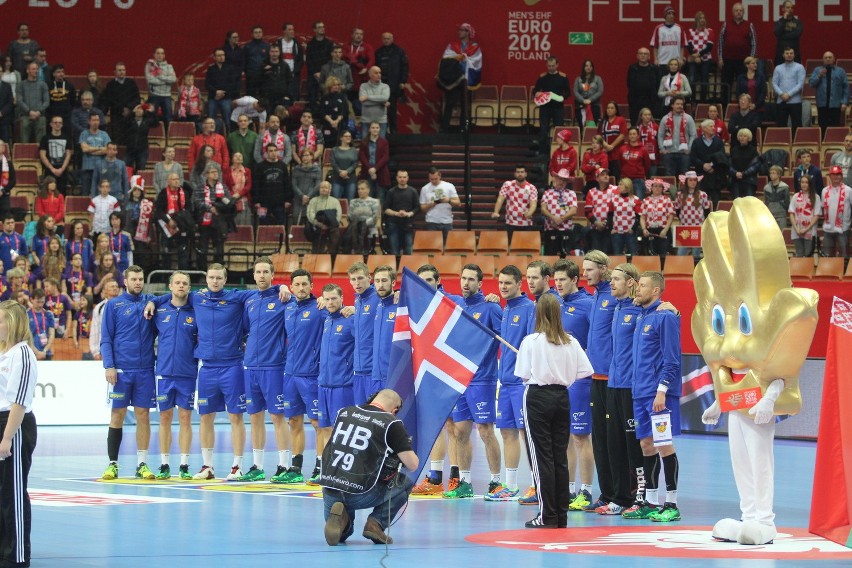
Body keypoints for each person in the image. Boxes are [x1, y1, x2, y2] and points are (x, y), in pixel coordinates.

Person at [516, 293, 593, 528]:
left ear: (538, 314)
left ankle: (546, 516)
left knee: (541, 458)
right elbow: (584, 370)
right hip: (562, 397)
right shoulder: (571, 341)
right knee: (559, 456)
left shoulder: (531, 341)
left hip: (538, 397)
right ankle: (560, 515)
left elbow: (523, 374)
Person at [321, 388, 418, 546]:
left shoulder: (344, 412)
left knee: (342, 537)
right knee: (405, 482)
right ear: (394, 411)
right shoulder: (391, 422)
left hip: (330, 487)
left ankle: (343, 520)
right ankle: (375, 523)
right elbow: (412, 465)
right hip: (361, 492)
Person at [446, 264, 504, 500]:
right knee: (460, 432)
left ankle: (496, 483)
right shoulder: (457, 306)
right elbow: (433, 291)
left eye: (471, 279)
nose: (466, 283)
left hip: (482, 379)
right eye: (463, 278)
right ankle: (465, 482)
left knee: (485, 431)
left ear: (480, 283)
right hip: (460, 378)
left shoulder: (490, 307)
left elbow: (505, 338)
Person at [631, 271, 683, 522]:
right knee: (646, 445)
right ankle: (651, 501)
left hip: (657, 395)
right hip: (640, 392)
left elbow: (672, 360)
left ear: (655, 291)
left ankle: (671, 503)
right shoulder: (643, 316)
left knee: (664, 445)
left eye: (642, 286)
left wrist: (662, 390)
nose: (637, 290)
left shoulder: (666, 317)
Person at [100, 265, 157, 480]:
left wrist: (153, 301)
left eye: (141, 279)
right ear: (125, 281)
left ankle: (142, 464)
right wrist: (109, 365)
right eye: (134, 279)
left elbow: (170, 296)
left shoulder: (149, 302)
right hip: (121, 370)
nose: (138, 282)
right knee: (117, 415)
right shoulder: (113, 305)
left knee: (143, 416)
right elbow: (106, 338)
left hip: (145, 370)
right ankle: (112, 464)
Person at [239, 258, 291, 483]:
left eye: (265, 272)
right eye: (257, 272)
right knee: (254, 417)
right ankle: (257, 466)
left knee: (278, 417)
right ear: (253, 275)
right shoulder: (249, 301)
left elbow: (307, 301)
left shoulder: (282, 298)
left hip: (273, 367)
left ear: (272, 275)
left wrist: (284, 287)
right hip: (250, 367)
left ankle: (284, 466)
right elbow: (242, 328)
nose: (261, 276)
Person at [550, 260, 595, 512]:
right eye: (556, 280)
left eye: (563, 280)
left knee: (580, 436)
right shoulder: (555, 304)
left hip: (580, 380)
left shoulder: (588, 305)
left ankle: (586, 492)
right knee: (564, 437)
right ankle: (567, 490)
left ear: (575, 279)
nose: (558, 284)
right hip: (559, 379)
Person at [0, 300, 38, 568]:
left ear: (13, 323)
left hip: (13, 424)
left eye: (1, 320)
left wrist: (6, 437)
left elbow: (19, 401)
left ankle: (16, 555)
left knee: (12, 493)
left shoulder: (23, 355)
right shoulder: (4, 353)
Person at [280, 269, 327, 484]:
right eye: (296, 284)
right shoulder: (287, 308)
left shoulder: (320, 308)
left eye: (304, 284)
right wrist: (278, 288)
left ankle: (320, 467)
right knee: (293, 421)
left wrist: (347, 309)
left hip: (311, 375)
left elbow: (339, 314)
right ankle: (295, 467)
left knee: (317, 423)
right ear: (291, 287)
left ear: (311, 286)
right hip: (290, 375)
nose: (300, 288)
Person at [494, 265, 536, 504]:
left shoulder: (530, 308)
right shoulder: (505, 309)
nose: (503, 287)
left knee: (526, 433)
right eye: (500, 283)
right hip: (506, 381)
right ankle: (510, 486)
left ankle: (534, 484)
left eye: (507, 283)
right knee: (507, 432)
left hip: (522, 383)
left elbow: (531, 344)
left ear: (520, 284)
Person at [581, 250, 618, 512]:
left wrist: (667, 306)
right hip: (595, 377)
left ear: (604, 269)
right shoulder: (594, 297)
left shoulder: (615, 297)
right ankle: (605, 494)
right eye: (583, 270)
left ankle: (622, 494)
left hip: (615, 380)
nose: (585, 274)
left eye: (590, 269)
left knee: (616, 440)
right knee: (600, 440)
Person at [152, 271, 197, 480]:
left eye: (185, 283)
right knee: (164, 418)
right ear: (170, 286)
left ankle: (184, 465)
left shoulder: (196, 311)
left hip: (187, 373)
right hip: (164, 373)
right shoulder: (159, 310)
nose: (181, 286)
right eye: (177, 282)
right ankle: (164, 464)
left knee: (186, 418)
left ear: (189, 287)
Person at [315, 283, 355, 485]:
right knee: (323, 429)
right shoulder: (326, 320)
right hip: (323, 384)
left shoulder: (350, 320)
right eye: (327, 299)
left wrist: (355, 310)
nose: (330, 303)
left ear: (341, 299)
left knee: (342, 431)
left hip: (343, 385)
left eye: (334, 299)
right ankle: (327, 469)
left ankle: (343, 472)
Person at [439, 23, 482, 133]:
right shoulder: (452, 45)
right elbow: (446, 58)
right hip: (454, 79)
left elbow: (476, 61)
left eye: (462, 30)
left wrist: (465, 58)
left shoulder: (474, 46)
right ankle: (444, 128)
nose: (459, 32)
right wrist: (458, 58)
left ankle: (464, 128)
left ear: (468, 32)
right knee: (450, 103)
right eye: (459, 30)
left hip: (466, 79)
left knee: (465, 105)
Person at [193, 164, 232, 270]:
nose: (216, 174)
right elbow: (196, 201)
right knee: (203, 248)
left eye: (217, 172)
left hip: (218, 221)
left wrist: (217, 207)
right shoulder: (200, 187)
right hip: (204, 222)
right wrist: (209, 208)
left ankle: (218, 271)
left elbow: (229, 201)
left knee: (219, 248)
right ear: (207, 175)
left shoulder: (223, 187)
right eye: (213, 172)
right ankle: (202, 272)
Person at [718, 3, 757, 99]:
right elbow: (720, 42)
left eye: (741, 10)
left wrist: (751, 60)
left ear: (743, 12)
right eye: (736, 10)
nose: (739, 12)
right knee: (726, 85)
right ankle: (724, 108)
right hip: (727, 60)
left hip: (743, 62)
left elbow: (754, 43)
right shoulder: (726, 24)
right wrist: (720, 58)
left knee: (743, 86)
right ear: (733, 12)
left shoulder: (749, 25)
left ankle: (743, 107)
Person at [155, 172, 194, 269]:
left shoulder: (184, 193)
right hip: (167, 224)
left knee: (183, 251)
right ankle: (166, 277)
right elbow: (159, 211)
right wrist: (169, 221)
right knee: (166, 251)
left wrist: (179, 219)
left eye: (177, 179)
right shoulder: (163, 193)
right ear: (168, 181)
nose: (176, 181)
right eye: (174, 179)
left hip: (181, 224)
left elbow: (189, 209)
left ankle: (183, 274)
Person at [533, 56, 570, 154]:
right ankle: (543, 153)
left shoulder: (563, 77)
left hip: (558, 108)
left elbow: (567, 92)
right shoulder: (542, 77)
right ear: (546, 65)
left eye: (553, 66)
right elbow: (535, 91)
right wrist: (537, 93)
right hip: (545, 108)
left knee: (559, 131)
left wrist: (562, 97)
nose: (551, 68)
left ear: (557, 65)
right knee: (543, 130)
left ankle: (559, 151)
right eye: (549, 66)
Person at [374, 33, 409, 134]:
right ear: (382, 39)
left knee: (392, 109)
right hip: (380, 85)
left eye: (388, 38)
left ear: (392, 39)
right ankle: (381, 132)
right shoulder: (378, 52)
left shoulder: (399, 51)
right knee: (380, 109)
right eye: (384, 38)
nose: (386, 40)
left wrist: (403, 81)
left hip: (394, 85)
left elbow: (405, 67)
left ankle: (394, 132)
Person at [99, 62, 140, 145]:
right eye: (119, 70)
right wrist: (122, 109)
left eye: (123, 70)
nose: (122, 72)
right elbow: (110, 100)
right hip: (116, 116)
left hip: (130, 115)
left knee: (130, 140)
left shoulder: (131, 83)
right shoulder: (110, 85)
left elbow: (136, 98)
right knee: (117, 139)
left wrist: (129, 108)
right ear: (115, 72)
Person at [689, 119, 727, 208]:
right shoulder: (696, 142)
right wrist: (703, 165)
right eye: (711, 126)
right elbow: (693, 157)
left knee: (715, 202)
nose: (713, 128)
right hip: (701, 177)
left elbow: (722, 157)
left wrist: (711, 165)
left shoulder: (719, 141)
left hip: (715, 175)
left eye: (714, 126)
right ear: (704, 128)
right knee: (702, 203)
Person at [252, 143, 293, 227]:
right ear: (266, 153)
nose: (273, 153)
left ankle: (279, 240)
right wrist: (256, 201)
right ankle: (264, 240)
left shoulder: (282, 166)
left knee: (281, 224)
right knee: (262, 224)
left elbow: (287, 183)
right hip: (263, 203)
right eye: (271, 151)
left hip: (279, 203)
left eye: (275, 150)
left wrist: (288, 199)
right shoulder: (260, 166)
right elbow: (256, 185)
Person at [540, 168, 578, 257]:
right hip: (550, 229)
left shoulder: (571, 193)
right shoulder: (547, 193)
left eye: (564, 180)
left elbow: (573, 211)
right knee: (549, 258)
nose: (562, 182)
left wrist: (560, 219)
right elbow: (543, 209)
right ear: (555, 179)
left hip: (566, 230)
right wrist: (553, 218)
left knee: (566, 260)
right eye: (560, 179)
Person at [808, 52, 849, 133]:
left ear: (834, 59)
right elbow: (811, 84)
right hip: (822, 104)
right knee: (822, 126)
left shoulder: (840, 71)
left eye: (830, 57)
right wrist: (819, 75)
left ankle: (833, 143)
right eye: (826, 57)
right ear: (823, 59)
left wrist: (844, 102)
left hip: (835, 104)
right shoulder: (817, 70)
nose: (828, 59)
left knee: (834, 127)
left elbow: (846, 87)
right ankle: (823, 143)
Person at [675, 171, 712, 260]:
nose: (693, 182)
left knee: (695, 255)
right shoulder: (680, 195)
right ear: (686, 182)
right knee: (680, 254)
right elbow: (677, 210)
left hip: (697, 228)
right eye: (691, 180)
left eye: (695, 180)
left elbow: (707, 210)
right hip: (684, 228)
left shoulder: (702, 194)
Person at [491, 165, 537, 234]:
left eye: (522, 172)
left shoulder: (531, 188)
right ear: (515, 174)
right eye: (518, 172)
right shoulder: (507, 185)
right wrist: (496, 212)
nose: (520, 174)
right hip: (510, 223)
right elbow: (500, 199)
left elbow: (533, 204)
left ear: (526, 174)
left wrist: (529, 213)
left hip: (526, 224)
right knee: (511, 244)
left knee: (525, 245)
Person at [657, 96, 695, 178]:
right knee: (669, 176)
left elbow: (693, 135)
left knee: (685, 177)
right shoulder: (665, 119)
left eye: (681, 104)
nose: (680, 106)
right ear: (672, 105)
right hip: (669, 153)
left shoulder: (688, 118)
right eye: (677, 104)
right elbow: (660, 135)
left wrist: (689, 149)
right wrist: (662, 149)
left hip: (684, 154)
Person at [383, 170, 419, 255]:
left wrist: (409, 214)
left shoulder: (413, 191)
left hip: (408, 224)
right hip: (394, 224)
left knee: (408, 250)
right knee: (394, 251)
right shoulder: (391, 192)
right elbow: (385, 208)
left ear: (407, 178)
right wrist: (396, 213)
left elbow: (417, 208)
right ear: (396, 178)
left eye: (404, 177)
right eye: (400, 177)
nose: (402, 179)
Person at [420, 167, 460, 243]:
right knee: (433, 248)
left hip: (447, 222)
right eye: (431, 179)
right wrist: (432, 204)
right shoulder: (425, 189)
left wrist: (448, 200)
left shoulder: (449, 186)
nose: (434, 181)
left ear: (440, 176)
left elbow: (458, 203)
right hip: (431, 222)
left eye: (435, 179)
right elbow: (422, 208)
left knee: (448, 247)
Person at [771, 47, 805, 133]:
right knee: (781, 125)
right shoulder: (778, 68)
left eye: (791, 53)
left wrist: (789, 94)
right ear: (783, 55)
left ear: (794, 55)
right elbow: (774, 83)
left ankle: (796, 145)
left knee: (797, 125)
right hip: (781, 100)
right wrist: (781, 94)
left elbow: (800, 84)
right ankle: (783, 144)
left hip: (795, 101)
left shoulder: (800, 67)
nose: (789, 55)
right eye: (787, 53)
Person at [821, 165, 852, 258]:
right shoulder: (824, 191)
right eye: (833, 175)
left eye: (838, 175)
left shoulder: (848, 190)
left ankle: (845, 271)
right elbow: (823, 207)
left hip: (843, 228)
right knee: (828, 255)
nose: (836, 177)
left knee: (844, 255)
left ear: (842, 176)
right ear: (830, 176)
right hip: (828, 228)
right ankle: (830, 272)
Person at [788, 175, 821, 258]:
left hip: (809, 231)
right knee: (799, 254)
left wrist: (806, 229)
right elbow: (791, 213)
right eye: (802, 182)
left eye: (806, 182)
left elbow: (816, 215)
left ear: (810, 184)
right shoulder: (795, 196)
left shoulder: (816, 197)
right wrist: (796, 228)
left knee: (808, 256)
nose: (804, 184)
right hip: (797, 230)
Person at [39, 115, 73, 195]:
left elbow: (68, 155)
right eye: (55, 122)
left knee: (62, 194)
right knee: (49, 194)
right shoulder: (45, 138)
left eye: (60, 123)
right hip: (49, 171)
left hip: (63, 171)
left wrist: (62, 169)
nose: (57, 124)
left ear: (62, 125)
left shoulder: (67, 138)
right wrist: (52, 169)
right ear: (51, 124)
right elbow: (43, 156)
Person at [584, 168, 615, 253]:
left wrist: (605, 223)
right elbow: (587, 211)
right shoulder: (591, 192)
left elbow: (616, 209)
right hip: (595, 227)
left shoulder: (615, 190)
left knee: (608, 254)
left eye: (607, 174)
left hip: (611, 228)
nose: (606, 176)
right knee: (596, 254)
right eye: (603, 174)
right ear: (597, 178)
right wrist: (597, 222)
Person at [685, 11, 715, 102]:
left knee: (704, 80)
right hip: (694, 59)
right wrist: (695, 56)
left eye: (703, 18)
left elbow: (709, 46)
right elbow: (689, 45)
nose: (702, 20)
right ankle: (692, 100)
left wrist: (699, 55)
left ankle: (703, 101)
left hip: (705, 59)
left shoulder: (709, 31)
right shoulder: (691, 31)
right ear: (696, 20)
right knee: (692, 79)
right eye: (700, 18)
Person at [641, 179, 675, 257]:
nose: (657, 188)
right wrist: (644, 229)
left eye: (660, 186)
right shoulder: (646, 200)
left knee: (663, 254)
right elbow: (643, 217)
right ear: (651, 188)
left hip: (663, 230)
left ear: (663, 189)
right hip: (650, 231)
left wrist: (665, 230)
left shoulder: (667, 200)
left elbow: (671, 216)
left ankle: (662, 269)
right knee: (651, 254)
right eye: (655, 186)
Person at [15, 62, 48, 143]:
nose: (36, 71)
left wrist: (38, 112)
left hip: (40, 116)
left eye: (37, 69)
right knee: (24, 143)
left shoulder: (43, 84)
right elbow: (19, 100)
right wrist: (29, 112)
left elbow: (46, 101)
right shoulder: (21, 85)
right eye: (33, 69)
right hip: (25, 116)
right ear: (27, 71)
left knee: (41, 143)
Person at [626, 47, 660, 125]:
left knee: (650, 124)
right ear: (637, 56)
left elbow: (658, 84)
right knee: (635, 124)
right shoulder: (632, 68)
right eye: (641, 53)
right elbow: (628, 83)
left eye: (645, 54)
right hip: (635, 101)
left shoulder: (654, 69)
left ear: (649, 56)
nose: (643, 55)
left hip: (650, 101)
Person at [144, 47, 176, 128]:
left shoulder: (169, 66)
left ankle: (167, 137)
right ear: (154, 55)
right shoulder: (149, 65)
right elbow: (150, 80)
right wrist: (166, 80)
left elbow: (173, 79)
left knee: (168, 117)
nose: (160, 55)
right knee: (151, 117)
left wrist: (159, 76)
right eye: (158, 53)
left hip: (167, 96)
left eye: (162, 53)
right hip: (154, 95)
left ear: (164, 55)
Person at [609, 178, 642, 257]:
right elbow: (610, 215)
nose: (618, 186)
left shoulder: (635, 200)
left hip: (630, 232)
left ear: (627, 186)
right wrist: (611, 228)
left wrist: (633, 229)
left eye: (621, 184)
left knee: (634, 256)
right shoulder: (614, 199)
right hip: (617, 232)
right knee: (617, 256)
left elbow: (638, 217)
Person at [358, 122, 391, 200]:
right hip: (367, 172)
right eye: (373, 128)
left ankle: (380, 213)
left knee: (380, 198)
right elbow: (362, 156)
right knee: (367, 197)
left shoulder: (384, 142)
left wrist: (375, 169)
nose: (375, 129)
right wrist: (370, 169)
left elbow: (385, 157)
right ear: (369, 129)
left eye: (377, 128)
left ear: (380, 129)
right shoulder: (364, 142)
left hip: (381, 172)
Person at [306, 21, 335, 107]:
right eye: (319, 27)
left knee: (327, 97)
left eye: (323, 27)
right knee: (312, 97)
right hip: (313, 75)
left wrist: (322, 73)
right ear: (314, 30)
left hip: (326, 74)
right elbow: (308, 60)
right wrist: (315, 72)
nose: (322, 29)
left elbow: (331, 60)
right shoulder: (310, 44)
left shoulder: (329, 44)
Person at [346, 181, 380, 254]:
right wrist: (358, 222)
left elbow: (375, 218)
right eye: (359, 189)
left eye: (362, 189)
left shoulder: (374, 202)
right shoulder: (353, 202)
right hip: (355, 225)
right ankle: (356, 251)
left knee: (362, 228)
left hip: (369, 226)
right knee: (354, 228)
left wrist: (364, 223)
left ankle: (362, 251)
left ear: (368, 190)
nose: (360, 191)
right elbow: (349, 216)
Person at [307, 181, 341, 254]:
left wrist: (331, 225)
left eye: (326, 187)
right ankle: (318, 255)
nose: (324, 189)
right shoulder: (313, 200)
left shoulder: (335, 201)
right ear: (319, 189)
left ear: (330, 190)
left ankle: (333, 255)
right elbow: (310, 214)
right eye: (322, 187)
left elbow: (338, 216)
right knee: (316, 232)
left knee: (335, 232)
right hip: (317, 225)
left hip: (332, 226)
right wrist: (319, 224)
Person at [619, 128, 651, 200]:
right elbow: (620, 163)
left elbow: (647, 165)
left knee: (639, 202)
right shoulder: (622, 149)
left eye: (634, 134)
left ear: (638, 136)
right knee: (623, 202)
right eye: (630, 134)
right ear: (628, 136)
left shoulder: (643, 149)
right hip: (625, 180)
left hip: (638, 180)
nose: (632, 136)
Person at [650, 6, 685, 72]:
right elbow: (655, 46)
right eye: (669, 13)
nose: (671, 16)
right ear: (665, 16)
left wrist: (681, 58)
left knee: (675, 81)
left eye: (673, 14)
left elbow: (682, 45)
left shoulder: (679, 28)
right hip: (662, 61)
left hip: (675, 62)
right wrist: (656, 59)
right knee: (662, 81)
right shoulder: (659, 28)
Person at [359, 67, 390, 139]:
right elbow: (364, 103)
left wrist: (367, 97)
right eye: (376, 73)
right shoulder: (363, 86)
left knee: (380, 146)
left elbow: (385, 98)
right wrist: (381, 103)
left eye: (380, 73)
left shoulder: (385, 87)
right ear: (370, 75)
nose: (379, 75)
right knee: (365, 146)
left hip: (381, 121)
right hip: (366, 121)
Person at [599, 101, 628, 180]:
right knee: (605, 177)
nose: (609, 110)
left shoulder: (620, 120)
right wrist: (606, 146)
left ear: (616, 110)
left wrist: (612, 146)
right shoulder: (603, 121)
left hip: (617, 153)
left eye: (612, 108)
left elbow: (622, 135)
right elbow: (599, 136)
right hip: (605, 153)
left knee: (616, 177)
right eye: (608, 108)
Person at [728, 128, 760, 198]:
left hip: (749, 180)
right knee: (737, 203)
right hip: (735, 179)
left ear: (748, 138)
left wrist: (744, 174)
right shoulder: (734, 150)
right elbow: (729, 165)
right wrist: (735, 173)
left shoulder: (753, 150)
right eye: (741, 136)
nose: (742, 138)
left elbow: (756, 166)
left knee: (748, 203)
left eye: (744, 136)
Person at [278, 23, 304, 106]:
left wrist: (295, 71)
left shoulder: (297, 44)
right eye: (289, 29)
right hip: (280, 75)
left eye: (293, 29)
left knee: (293, 96)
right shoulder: (278, 43)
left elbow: (300, 60)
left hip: (293, 75)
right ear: (284, 31)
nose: (292, 31)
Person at [320, 77, 349, 149]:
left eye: (338, 85)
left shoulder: (342, 97)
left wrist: (337, 121)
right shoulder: (324, 98)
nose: (337, 86)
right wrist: (331, 121)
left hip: (340, 125)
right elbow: (322, 111)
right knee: (328, 145)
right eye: (334, 85)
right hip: (327, 125)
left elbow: (345, 111)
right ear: (329, 86)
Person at [573, 59, 603, 128]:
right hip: (580, 106)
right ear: (583, 68)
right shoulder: (578, 79)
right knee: (581, 126)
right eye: (586, 66)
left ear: (592, 68)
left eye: (590, 66)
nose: (588, 67)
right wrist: (583, 100)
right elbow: (575, 92)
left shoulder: (598, 79)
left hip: (594, 105)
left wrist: (590, 100)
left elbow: (600, 91)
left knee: (592, 127)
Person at [330, 130, 358, 200]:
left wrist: (346, 172)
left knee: (350, 201)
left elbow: (355, 163)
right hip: (336, 178)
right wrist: (340, 172)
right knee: (336, 201)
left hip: (350, 179)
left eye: (349, 136)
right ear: (341, 138)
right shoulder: (334, 150)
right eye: (346, 136)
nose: (348, 138)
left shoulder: (354, 150)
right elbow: (333, 163)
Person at [27, 289, 54, 360]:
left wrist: (44, 351)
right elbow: (26, 337)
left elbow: (52, 334)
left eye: (42, 302)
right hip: (31, 353)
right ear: (31, 299)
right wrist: (37, 352)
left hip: (46, 353)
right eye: (38, 302)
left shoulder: (49, 314)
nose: (40, 305)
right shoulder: (26, 315)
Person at [244, 26, 270, 100]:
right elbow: (244, 61)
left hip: (264, 75)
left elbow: (269, 60)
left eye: (260, 32)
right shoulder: (248, 46)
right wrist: (248, 72)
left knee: (263, 96)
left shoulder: (267, 46)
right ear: (252, 34)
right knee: (250, 97)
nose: (258, 34)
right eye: (256, 32)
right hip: (251, 75)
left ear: (262, 33)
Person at [774, 1, 802, 65]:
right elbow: (777, 33)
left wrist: (783, 36)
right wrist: (784, 19)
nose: (790, 9)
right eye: (787, 7)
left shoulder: (798, 22)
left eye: (791, 7)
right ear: (783, 9)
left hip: (795, 54)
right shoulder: (778, 22)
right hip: (781, 54)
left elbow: (796, 34)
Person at [763, 166, 790, 230]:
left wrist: (783, 208)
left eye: (773, 173)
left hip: (781, 215)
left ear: (779, 175)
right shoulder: (766, 188)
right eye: (770, 173)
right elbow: (766, 202)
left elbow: (787, 202)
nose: (771, 175)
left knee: (782, 234)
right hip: (770, 214)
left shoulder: (785, 187)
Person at [638, 110, 660, 180]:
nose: (648, 117)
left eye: (649, 115)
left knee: (652, 179)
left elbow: (660, 140)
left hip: (653, 158)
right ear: (641, 116)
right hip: (641, 158)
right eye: (645, 115)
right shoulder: (638, 128)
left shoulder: (656, 127)